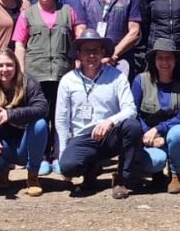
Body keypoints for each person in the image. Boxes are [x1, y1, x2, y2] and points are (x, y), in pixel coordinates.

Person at [55, 29, 143, 199]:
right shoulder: (67, 80)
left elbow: (131, 109)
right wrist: (62, 152)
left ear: (103, 52)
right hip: (82, 137)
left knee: (132, 126)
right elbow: (61, 119)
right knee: (68, 166)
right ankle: (91, 171)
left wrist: (110, 121)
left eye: (95, 50)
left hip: (110, 135)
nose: (91, 55)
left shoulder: (117, 76)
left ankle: (121, 179)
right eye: (86, 51)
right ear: (79, 54)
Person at [13, 0, 81, 175]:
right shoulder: (27, 14)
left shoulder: (68, 12)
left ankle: (58, 155)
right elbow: (20, 44)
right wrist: (21, 74)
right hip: (35, 76)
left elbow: (78, 42)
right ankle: (40, 157)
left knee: (60, 117)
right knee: (39, 118)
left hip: (62, 74)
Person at [0, 48, 50, 197]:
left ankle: (33, 175)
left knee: (40, 124)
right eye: (0, 65)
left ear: (16, 65)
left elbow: (42, 108)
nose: (5, 69)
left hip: (26, 144)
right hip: (4, 144)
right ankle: (3, 170)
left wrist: (11, 114)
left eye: (9, 65)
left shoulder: (28, 82)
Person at [132, 39, 180, 194]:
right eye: (160, 57)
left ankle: (174, 175)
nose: (164, 62)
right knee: (155, 161)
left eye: (169, 58)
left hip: (173, 135)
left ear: (175, 61)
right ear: (154, 60)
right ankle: (157, 172)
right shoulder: (140, 81)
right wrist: (148, 132)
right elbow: (133, 112)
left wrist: (158, 129)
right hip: (148, 138)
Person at [76, 0, 142, 73]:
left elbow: (135, 31)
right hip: (91, 60)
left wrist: (114, 54)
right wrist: (87, 55)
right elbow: (80, 29)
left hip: (121, 59)